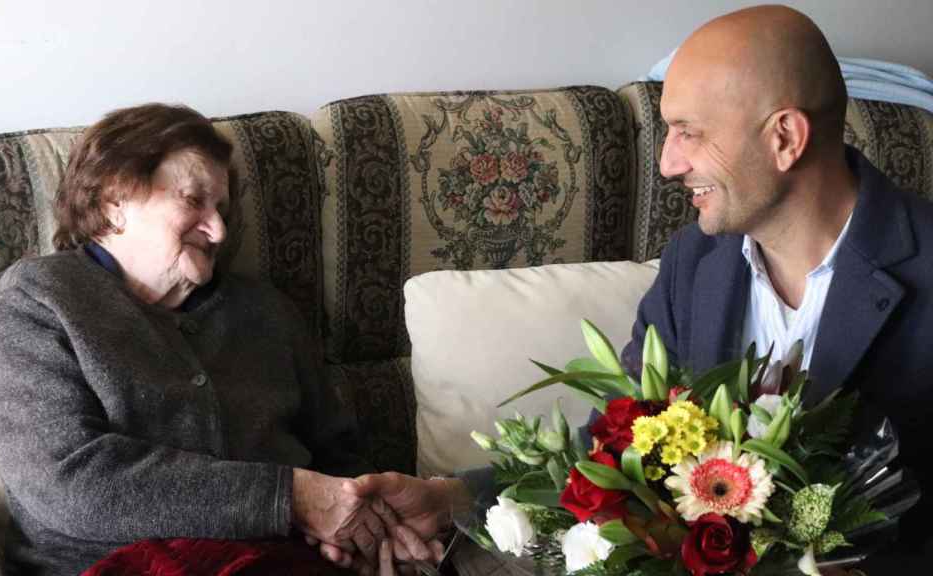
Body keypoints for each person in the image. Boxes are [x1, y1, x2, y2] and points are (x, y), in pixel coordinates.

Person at [353, 4, 933, 572]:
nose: (667, 163)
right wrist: (452, 498)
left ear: (785, 137)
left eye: (688, 132)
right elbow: (622, 449)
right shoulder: (694, 262)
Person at [0, 103, 431, 575]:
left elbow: (337, 452)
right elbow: (67, 483)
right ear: (116, 200)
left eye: (222, 210)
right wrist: (292, 498)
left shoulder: (264, 310)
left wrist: (365, 530)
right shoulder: (38, 299)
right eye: (194, 201)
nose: (217, 229)